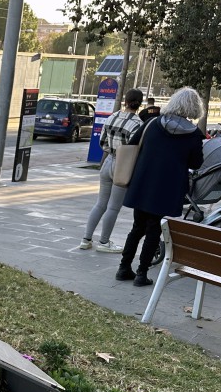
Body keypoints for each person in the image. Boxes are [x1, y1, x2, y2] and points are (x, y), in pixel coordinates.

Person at [116, 87, 205, 287]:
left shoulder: (152, 124)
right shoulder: (194, 135)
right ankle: (141, 273)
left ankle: (123, 268)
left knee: (137, 227)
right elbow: (196, 163)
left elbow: (132, 144)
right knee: (154, 228)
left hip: (143, 182)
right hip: (168, 188)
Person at [79, 88, 144, 253]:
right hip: (123, 166)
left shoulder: (112, 117)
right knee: (113, 207)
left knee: (100, 203)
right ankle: (104, 241)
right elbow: (137, 149)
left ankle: (86, 239)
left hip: (108, 160)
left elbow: (103, 143)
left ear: (125, 102)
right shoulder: (138, 124)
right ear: (140, 104)